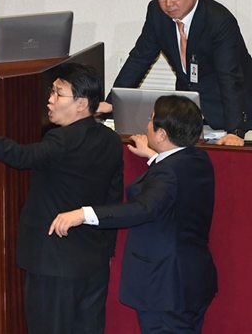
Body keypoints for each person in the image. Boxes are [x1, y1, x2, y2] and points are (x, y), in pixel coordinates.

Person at [0, 63, 124, 334]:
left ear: (81, 104)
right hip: (94, 263)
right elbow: (114, 199)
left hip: (53, 266)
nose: (50, 100)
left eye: (58, 94)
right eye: (51, 92)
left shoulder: (61, 140)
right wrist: (106, 250)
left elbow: (21, 156)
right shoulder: (111, 140)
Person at [50, 95, 218, 334]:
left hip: (165, 288)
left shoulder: (168, 173)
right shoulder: (198, 159)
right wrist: (153, 156)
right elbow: (174, 186)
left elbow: (144, 207)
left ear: (162, 134)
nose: (147, 124)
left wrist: (84, 214)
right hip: (192, 280)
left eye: (151, 120)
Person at [98, 0, 252, 146]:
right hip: (190, 110)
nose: (168, 3)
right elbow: (139, 58)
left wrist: (235, 131)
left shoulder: (219, 21)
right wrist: (113, 102)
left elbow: (230, 77)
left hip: (228, 106)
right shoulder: (156, 13)